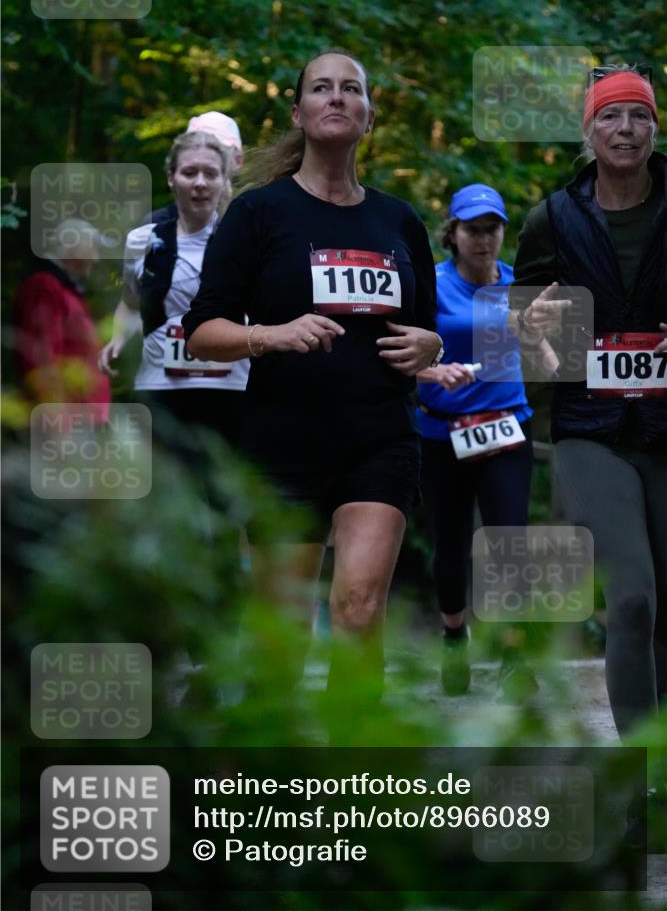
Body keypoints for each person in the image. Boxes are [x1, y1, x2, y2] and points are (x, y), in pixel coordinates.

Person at [183, 50, 442, 705]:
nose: (336, 97)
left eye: (351, 89)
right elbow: (202, 331)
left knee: (358, 607)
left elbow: (424, 331)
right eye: (321, 88)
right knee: (283, 633)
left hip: (379, 436)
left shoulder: (400, 221)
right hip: (283, 440)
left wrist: (431, 344)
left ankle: (354, 758)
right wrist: (270, 335)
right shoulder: (258, 213)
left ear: (368, 116)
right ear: (298, 113)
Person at [512, 65, 666, 738]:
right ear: (588, 130)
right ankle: (638, 769)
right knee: (631, 598)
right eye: (610, 115)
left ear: (654, 129)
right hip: (589, 429)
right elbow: (522, 341)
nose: (625, 129)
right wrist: (531, 330)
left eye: (639, 115)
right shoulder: (552, 219)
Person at [416, 185, 538, 700]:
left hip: (505, 427)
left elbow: (551, 353)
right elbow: (403, 354)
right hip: (442, 432)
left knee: (509, 542)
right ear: (453, 233)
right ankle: (453, 634)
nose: (483, 239)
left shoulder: (518, 286)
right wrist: (429, 372)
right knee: (450, 545)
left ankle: (513, 654)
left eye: (492, 229)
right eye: (472, 229)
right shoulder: (431, 285)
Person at [98, 128, 249, 448]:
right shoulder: (143, 239)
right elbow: (130, 304)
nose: (200, 183)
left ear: (224, 181)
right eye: (189, 172)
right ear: (171, 178)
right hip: (159, 388)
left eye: (210, 174)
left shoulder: (246, 239)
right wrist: (118, 338)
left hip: (230, 389)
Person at [14, 218, 111, 423]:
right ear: (74, 248)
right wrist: (56, 420)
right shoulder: (44, 286)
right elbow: (41, 357)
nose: (96, 259)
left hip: (81, 418)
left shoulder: (61, 288)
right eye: (93, 249)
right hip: (66, 422)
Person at [148, 112, 243, 225]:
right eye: (195, 145)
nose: (204, 153)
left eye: (217, 149)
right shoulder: (153, 226)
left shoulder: (253, 222)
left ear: (238, 160)